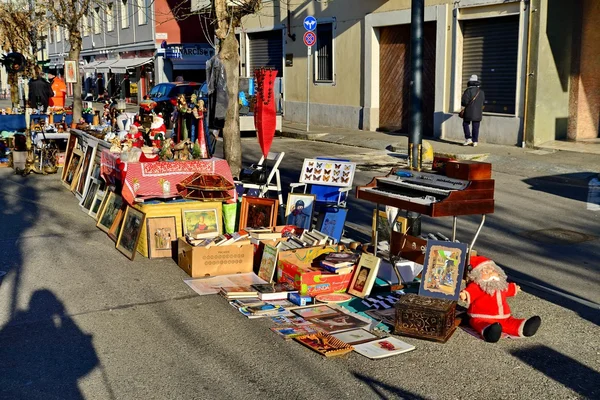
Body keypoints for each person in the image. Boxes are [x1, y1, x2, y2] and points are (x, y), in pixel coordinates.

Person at [461, 74, 485, 147]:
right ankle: (475, 141)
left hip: (468, 111)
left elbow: (464, 102)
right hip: (478, 112)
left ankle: (468, 139)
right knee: (476, 126)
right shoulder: (481, 92)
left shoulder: (468, 91)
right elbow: (483, 102)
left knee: (465, 124)